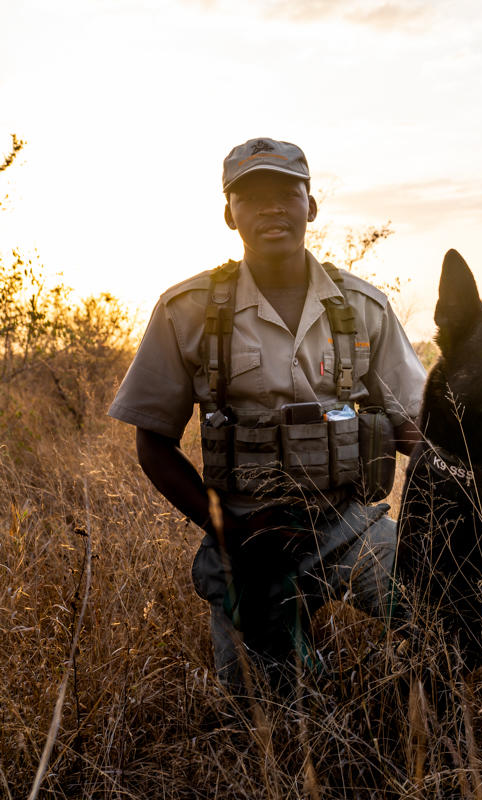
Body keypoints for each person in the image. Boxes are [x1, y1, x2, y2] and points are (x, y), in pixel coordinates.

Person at [108, 137, 426, 693]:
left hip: (347, 522)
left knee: (440, 618)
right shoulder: (187, 309)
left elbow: (417, 431)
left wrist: (450, 517)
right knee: (258, 711)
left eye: (287, 192)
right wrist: (228, 530)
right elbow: (152, 443)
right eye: (251, 197)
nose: (272, 208)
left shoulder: (361, 306)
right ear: (229, 214)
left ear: (312, 205)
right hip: (247, 534)